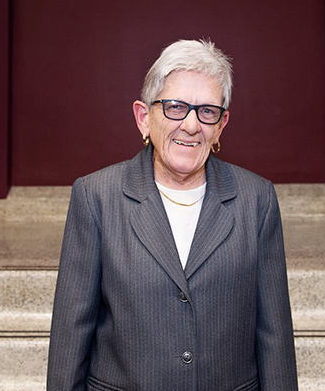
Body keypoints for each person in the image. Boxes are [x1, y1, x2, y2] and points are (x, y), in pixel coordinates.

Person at [46, 39, 298, 391]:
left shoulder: (256, 199)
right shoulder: (96, 197)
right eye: (175, 107)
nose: (192, 125)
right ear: (143, 117)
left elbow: (274, 337)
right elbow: (71, 335)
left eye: (207, 111)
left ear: (221, 125)